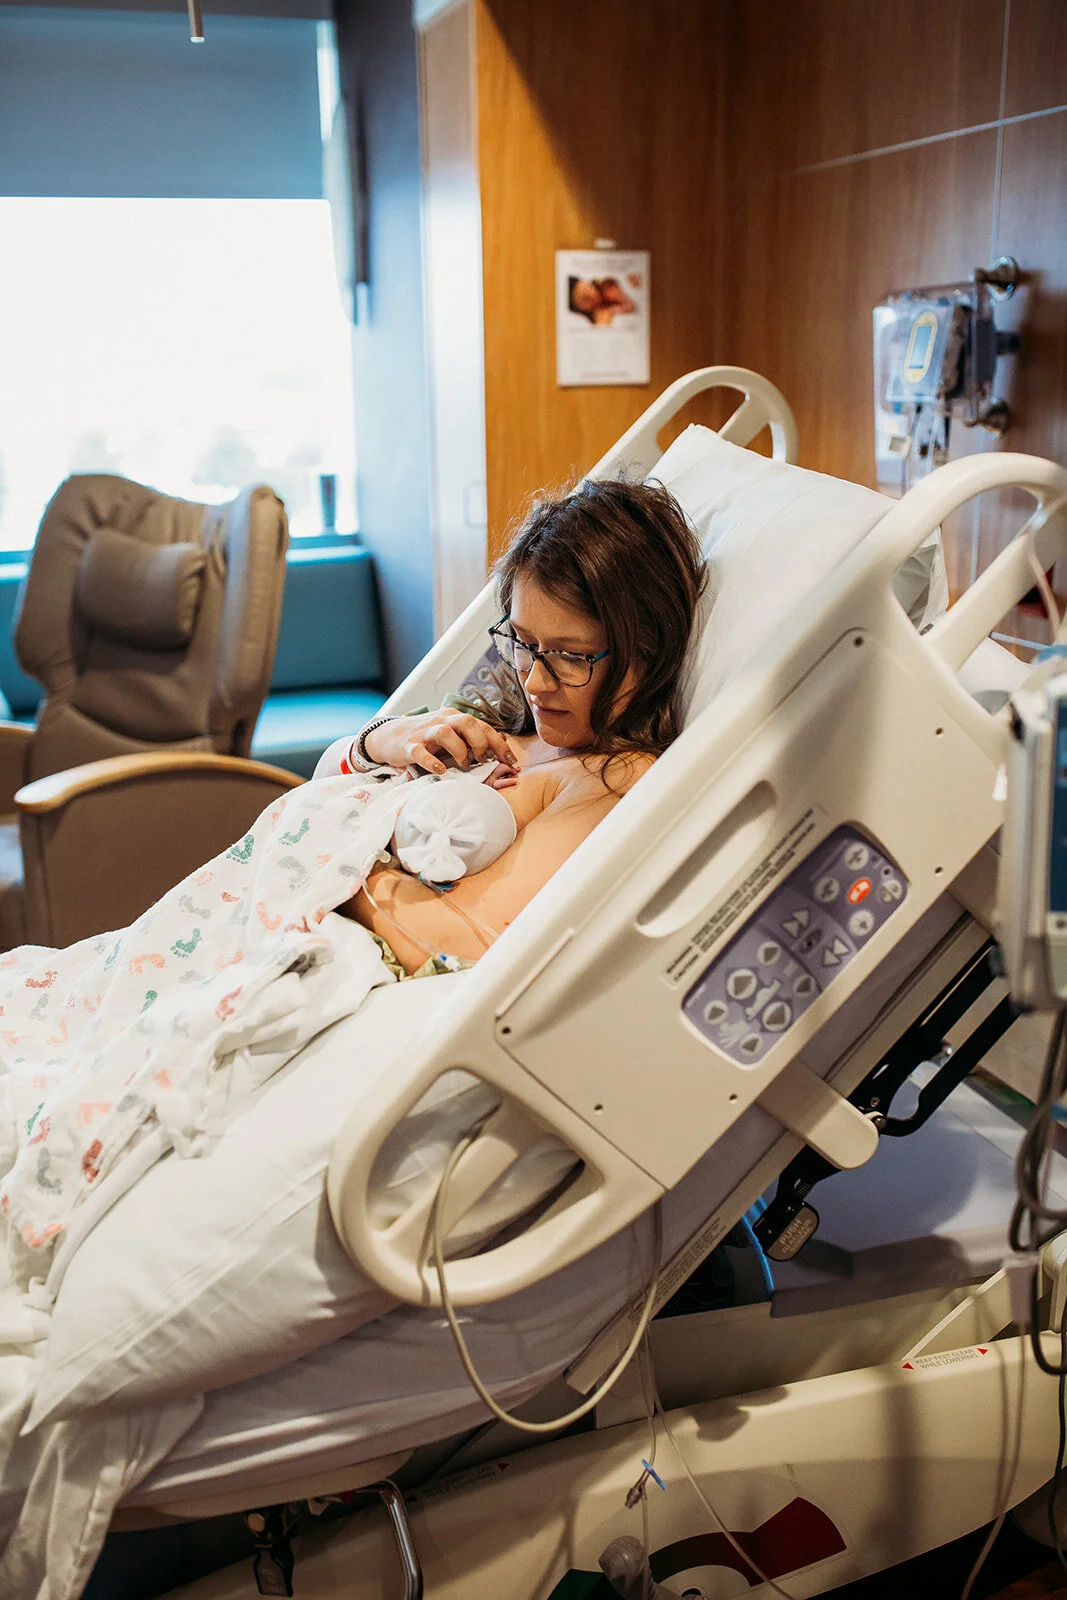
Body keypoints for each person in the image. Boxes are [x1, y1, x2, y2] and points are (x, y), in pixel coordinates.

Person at [331, 478, 707, 974]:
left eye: (571, 657)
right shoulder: (486, 720)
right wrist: (379, 741)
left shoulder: (608, 781)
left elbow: (454, 942)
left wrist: (338, 866)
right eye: (523, 643)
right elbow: (321, 786)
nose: (534, 680)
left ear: (649, 651)